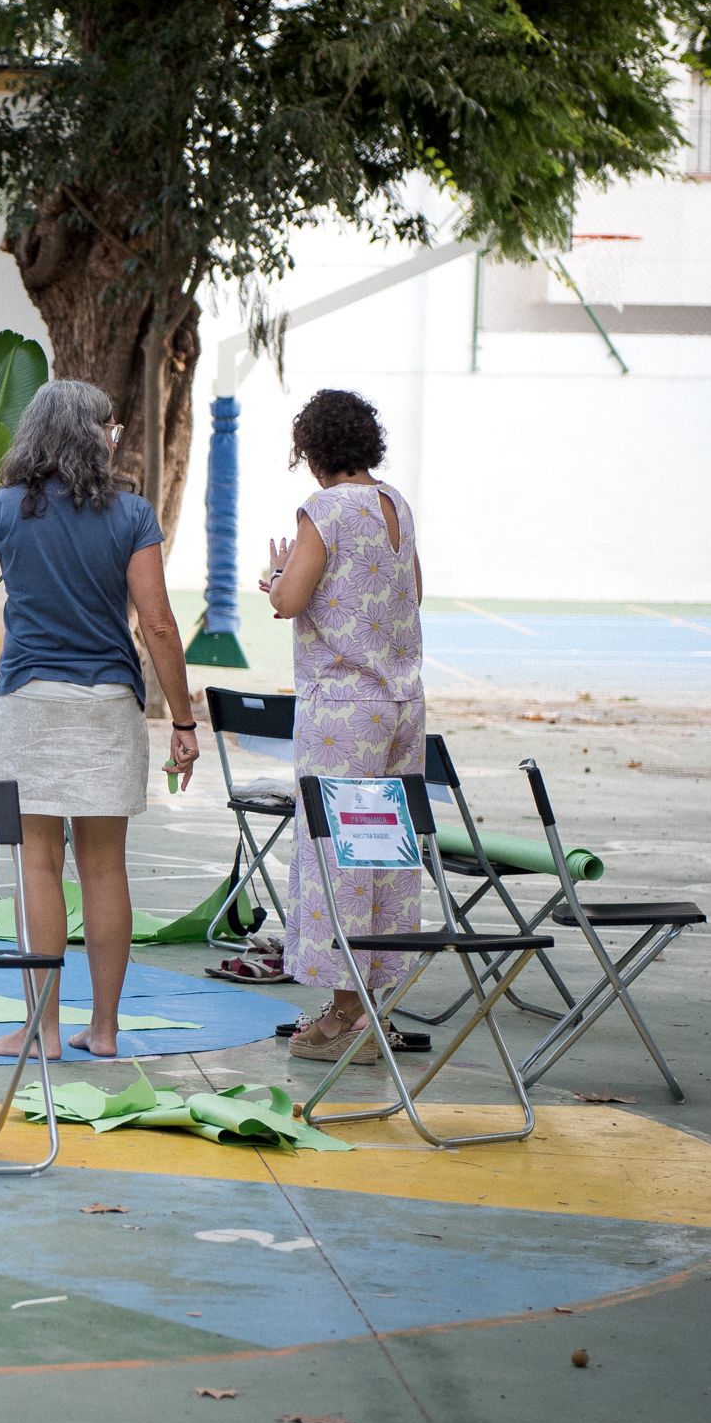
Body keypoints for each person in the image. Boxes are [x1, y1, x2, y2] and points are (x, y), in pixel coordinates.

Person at [0, 381, 199, 1060]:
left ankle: (43, 1030)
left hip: (29, 701)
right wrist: (182, 719)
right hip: (108, 704)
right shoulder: (133, 515)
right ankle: (106, 1029)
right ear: (95, 435)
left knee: (37, 863)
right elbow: (159, 625)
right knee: (105, 868)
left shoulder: (4, 509)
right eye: (111, 425)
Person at [259, 389, 425, 1063]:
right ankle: (354, 1007)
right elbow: (412, 589)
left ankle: (348, 1011)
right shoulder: (395, 505)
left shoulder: (323, 510)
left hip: (341, 710)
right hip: (402, 702)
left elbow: (289, 599)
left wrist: (272, 575)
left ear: (315, 450)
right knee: (383, 852)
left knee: (333, 854)